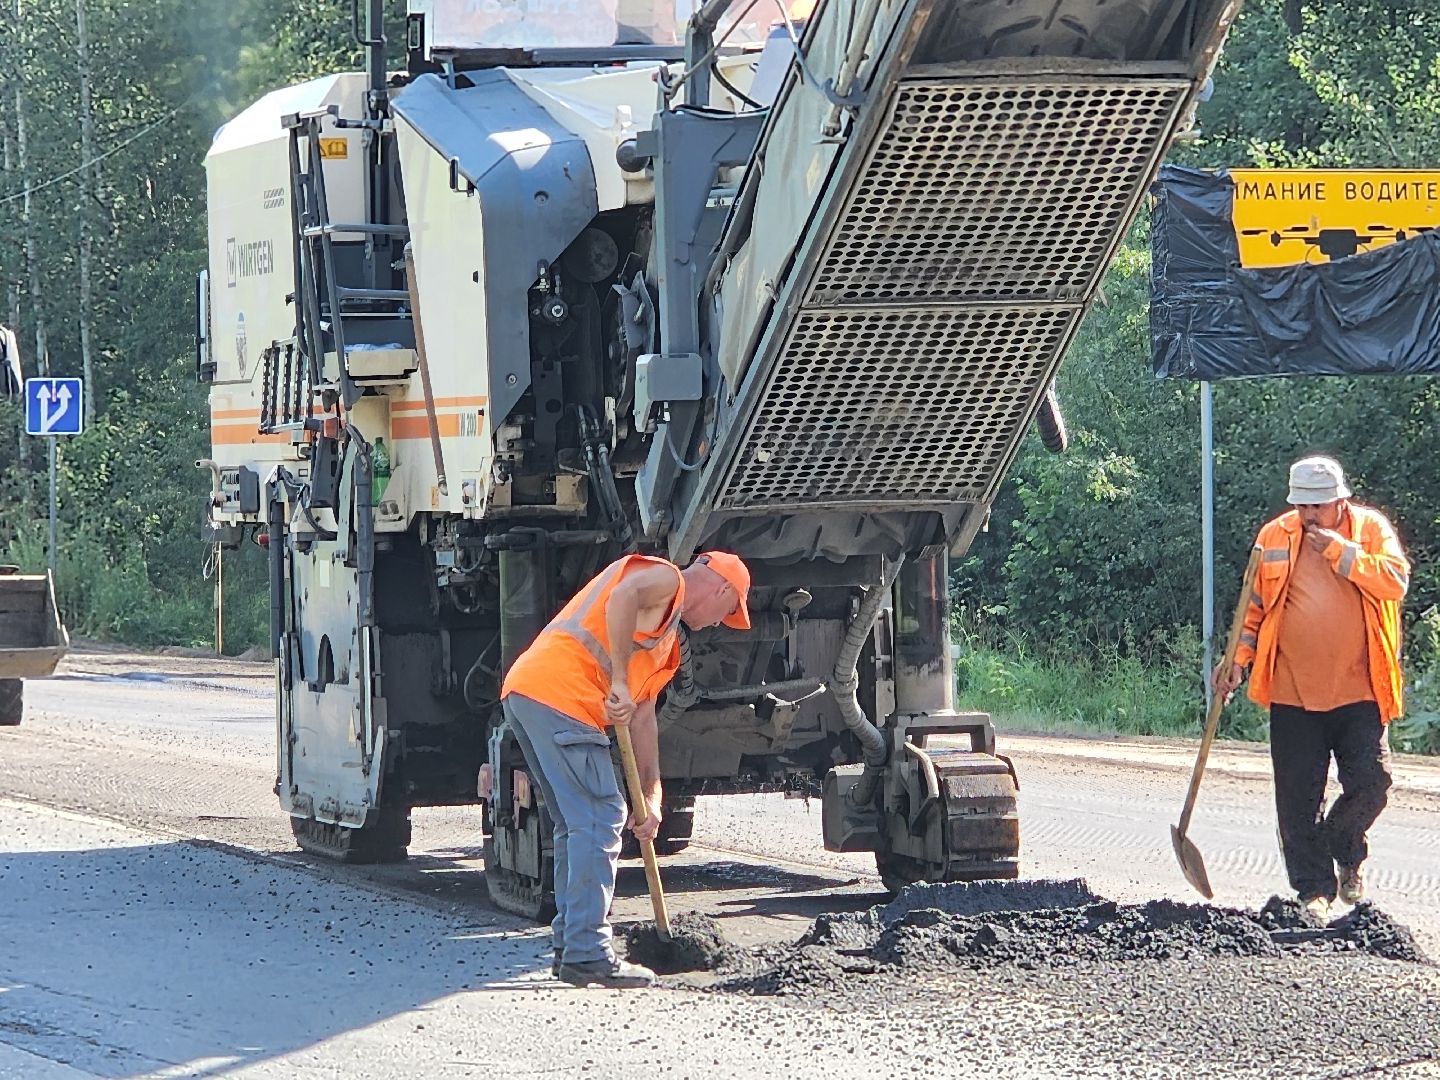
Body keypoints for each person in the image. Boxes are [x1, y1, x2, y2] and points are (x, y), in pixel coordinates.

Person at [499, 549, 751, 987]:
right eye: (727, 612)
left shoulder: (665, 645)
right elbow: (622, 597)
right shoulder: (667, 578)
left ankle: (570, 945)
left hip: (531, 693)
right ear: (722, 588)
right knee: (600, 815)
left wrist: (651, 796)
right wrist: (617, 679)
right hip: (562, 694)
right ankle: (588, 953)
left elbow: (642, 717)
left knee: (576, 824)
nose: (718, 624)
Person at [1213, 456, 1408, 924]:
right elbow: (1252, 609)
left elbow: (1396, 581)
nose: (1309, 516)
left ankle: (1346, 847)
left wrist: (1343, 553)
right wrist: (1235, 661)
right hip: (1292, 692)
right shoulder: (1274, 537)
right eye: (1302, 506)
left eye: (1317, 506)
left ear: (1341, 501)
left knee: (1372, 783)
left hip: (1361, 690)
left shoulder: (1370, 530)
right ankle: (1313, 892)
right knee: (1297, 801)